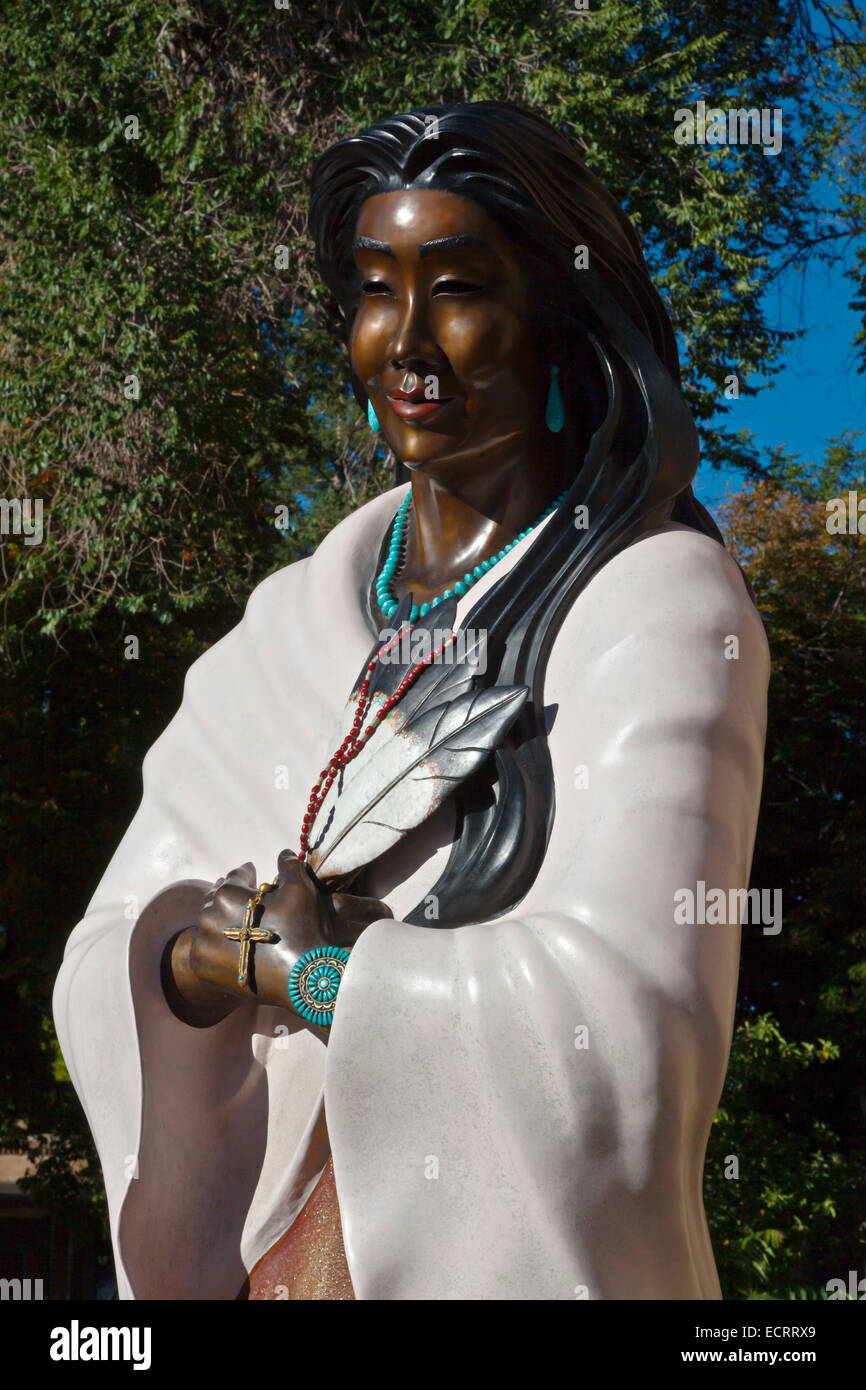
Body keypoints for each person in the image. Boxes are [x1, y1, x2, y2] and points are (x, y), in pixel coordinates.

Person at [53, 101, 769, 1300]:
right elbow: (102, 948)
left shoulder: (651, 607)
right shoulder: (282, 626)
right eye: (377, 289)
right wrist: (190, 960)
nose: (408, 341)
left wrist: (328, 981)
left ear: (551, 315)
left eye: (458, 287)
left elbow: (630, 1035)